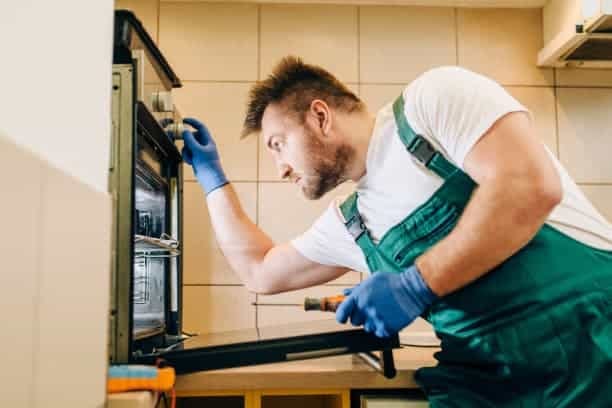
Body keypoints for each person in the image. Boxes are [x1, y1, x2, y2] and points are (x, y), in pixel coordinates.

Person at [179, 56, 612, 406]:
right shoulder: (354, 220)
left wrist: (415, 285)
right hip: (490, 388)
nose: (280, 169)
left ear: (320, 117)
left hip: (593, 350)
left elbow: (527, 186)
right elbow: (261, 270)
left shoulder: (432, 102)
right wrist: (212, 179)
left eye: (279, 145)